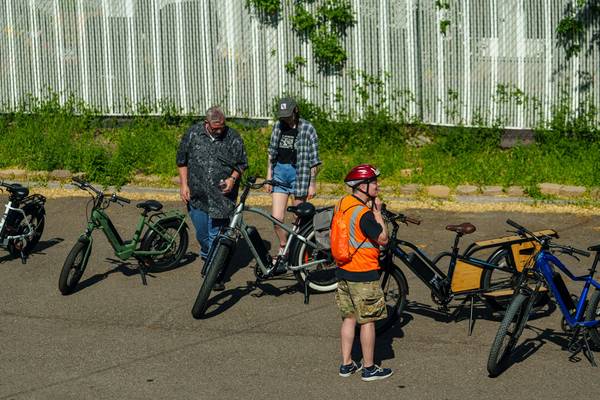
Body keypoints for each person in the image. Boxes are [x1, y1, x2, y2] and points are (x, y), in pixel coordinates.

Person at [176, 106, 248, 289]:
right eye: (215, 127)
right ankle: (210, 257)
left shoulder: (233, 137)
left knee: (215, 234)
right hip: (198, 196)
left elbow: (242, 163)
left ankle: (214, 272)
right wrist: (184, 185)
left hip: (222, 197)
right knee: (202, 235)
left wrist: (232, 179)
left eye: (222, 126)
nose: (219, 130)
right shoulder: (193, 134)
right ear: (206, 123)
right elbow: (181, 160)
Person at [333, 164, 393, 381]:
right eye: (374, 182)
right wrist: (377, 213)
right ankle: (369, 368)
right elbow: (383, 239)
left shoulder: (343, 203)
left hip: (343, 270)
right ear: (362, 186)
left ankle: (346, 364)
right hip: (363, 272)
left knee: (348, 318)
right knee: (367, 321)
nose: (377, 185)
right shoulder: (365, 214)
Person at [266, 97, 320, 267]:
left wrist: (312, 183)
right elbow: (271, 152)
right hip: (280, 175)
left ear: (295, 110)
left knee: (299, 219)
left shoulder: (307, 128)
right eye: (282, 115)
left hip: (300, 175)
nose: (285, 119)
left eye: (288, 115)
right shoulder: (278, 126)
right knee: (276, 218)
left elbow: (314, 160)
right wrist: (269, 176)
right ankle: (284, 247)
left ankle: (303, 252)